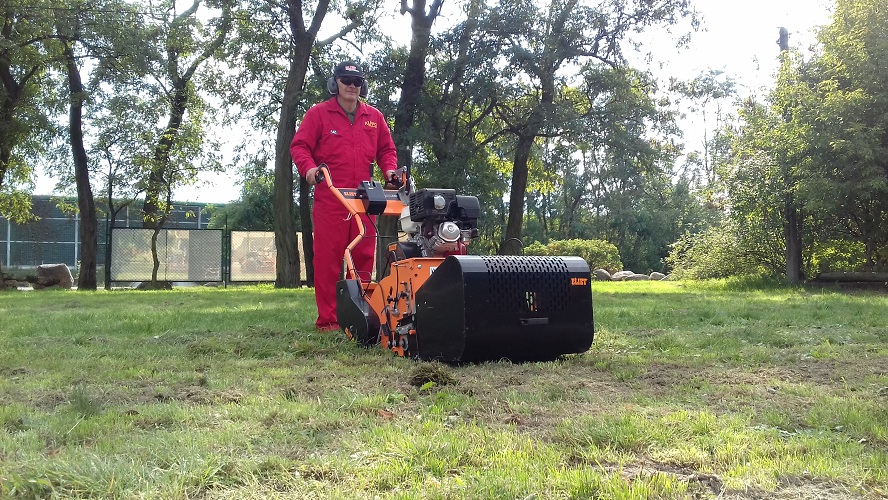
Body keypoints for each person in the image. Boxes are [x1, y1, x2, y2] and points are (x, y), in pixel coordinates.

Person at [290, 60, 399, 331]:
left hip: (364, 198)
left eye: (357, 82)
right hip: (331, 198)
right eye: (346, 81)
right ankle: (328, 320)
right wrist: (310, 169)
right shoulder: (318, 114)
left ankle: (362, 317)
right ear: (335, 83)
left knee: (363, 257)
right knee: (327, 261)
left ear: (363, 86)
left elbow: (386, 150)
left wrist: (390, 171)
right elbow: (300, 146)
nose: (352, 86)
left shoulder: (374, 117)